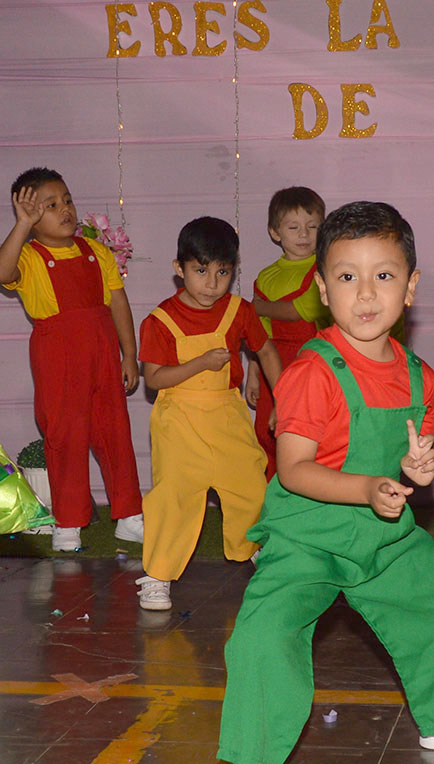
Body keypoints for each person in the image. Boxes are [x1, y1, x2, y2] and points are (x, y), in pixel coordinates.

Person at [211, 200, 434, 764]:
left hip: (383, 533)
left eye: (383, 275)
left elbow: (416, 456)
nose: (365, 293)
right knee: (264, 635)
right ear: (321, 290)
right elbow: (294, 468)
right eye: (347, 276)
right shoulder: (311, 373)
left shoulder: (419, 377)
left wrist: (419, 466)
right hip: (307, 534)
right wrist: (364, 488)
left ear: (410, 287)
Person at [136, 216, 281, 611]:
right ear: (179, 268)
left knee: (250, 485)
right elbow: (155, 378)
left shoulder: (239, 310)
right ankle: (158, 574)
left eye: (223, 271)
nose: (212, 283)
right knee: (175, 496)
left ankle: (254, 548)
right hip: (179, 419)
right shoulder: (160, 321)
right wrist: (200, 363)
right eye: (201, 271)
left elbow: (266, 351)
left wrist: (283, 399)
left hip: (227, 414)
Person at [0, 167, 143, 552]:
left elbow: (118, 303)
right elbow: (2, 271)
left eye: (67, 200)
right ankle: (68, 521)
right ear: (31, 217)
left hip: (103, 353)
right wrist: (21, 225)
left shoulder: (97, 252)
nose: (64, 209)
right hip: (58, 357)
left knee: (115, 432)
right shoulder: (29, 257)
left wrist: (129, 354)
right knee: (66, 435)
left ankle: (129, 515)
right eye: (50, 205)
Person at [245, 186, 330, 479]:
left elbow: (300, 310)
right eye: (294, 227)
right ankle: (272, 490)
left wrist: (259, 306)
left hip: (311, 363)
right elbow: (259, 333)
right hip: (273, 366)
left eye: (312, 226)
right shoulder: (266, 276)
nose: (304, 234)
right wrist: (253, 371)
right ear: (275, 232)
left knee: (307, 433)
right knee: (266, 433)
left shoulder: (325, 269)